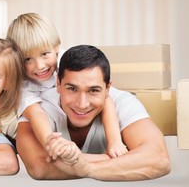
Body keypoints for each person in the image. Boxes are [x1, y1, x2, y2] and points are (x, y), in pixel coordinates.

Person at [16, 44, 171, 180]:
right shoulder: (39, 108)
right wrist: (116, 161)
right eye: (72, 89)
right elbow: (39, 167)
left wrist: (87, 169)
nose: (82, 104)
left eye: (93, 90)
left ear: (107, 88)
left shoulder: (122, 102)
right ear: (58, 84)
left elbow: (158, 159)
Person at [7, 13, 126, 157]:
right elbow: (35, 114)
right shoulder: (21, 84)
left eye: (44, 54)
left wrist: (115, 142)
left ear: (56, 48)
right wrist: (51, 142)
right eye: (27, 59)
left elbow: (105, 98)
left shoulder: (67, 60)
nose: (39, 66)